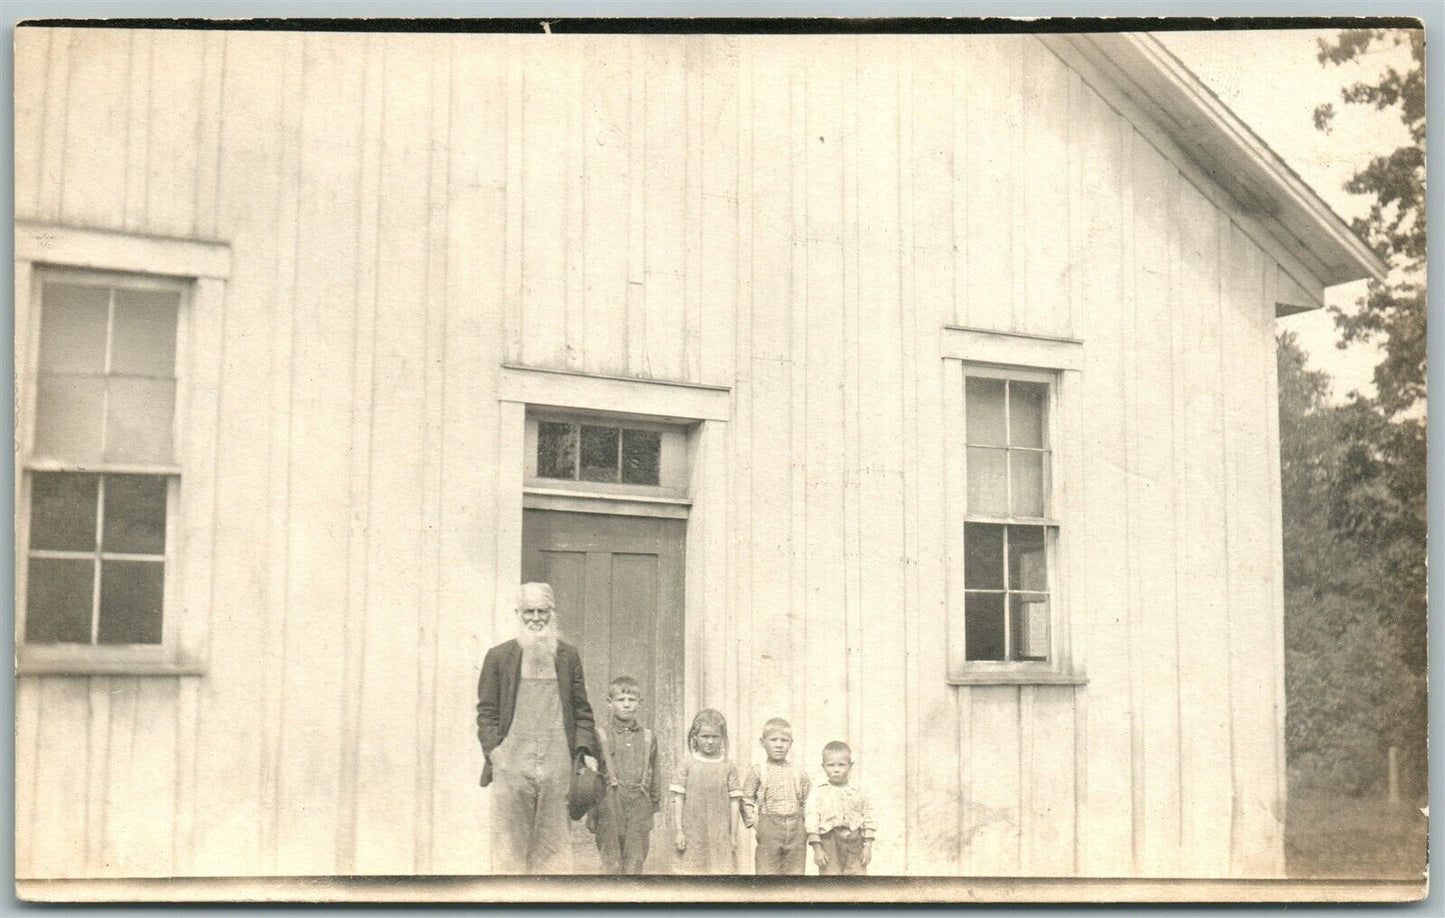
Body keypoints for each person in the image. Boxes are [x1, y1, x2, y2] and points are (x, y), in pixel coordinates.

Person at [476, 582, 598, 875]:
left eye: (542, 611)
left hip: (557, 764)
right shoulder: (498, 657)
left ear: (552, 613)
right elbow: (486, 711)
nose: (535, 618)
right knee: (508, 848)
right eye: (529, 611)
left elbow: (582, 710)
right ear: (518, 613)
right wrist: (496, 753)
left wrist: (582, 752)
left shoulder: (568, 656)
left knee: (554, 847)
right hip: (512, 764)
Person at [590, 675, 662, 874]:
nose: (627, 705)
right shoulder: (600, 735)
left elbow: (655, 771)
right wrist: (593, 808)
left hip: (640, 802)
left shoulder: (648, 736)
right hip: (609, 803)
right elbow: (590, 775)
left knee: (635, 860)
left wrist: (653, 802)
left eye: (632, 700)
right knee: (611, 860)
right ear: (609, 703)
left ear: (639, 702)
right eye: (621, 700)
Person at [670, 709, 743, 874]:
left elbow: (734, 803)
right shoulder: (687, 763)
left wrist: (733, 835)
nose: (710, 741)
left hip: (720, 835)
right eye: (705, 736)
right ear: (695, 737)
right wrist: (679, 831)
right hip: (693, 833)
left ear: (722, 738)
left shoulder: (728, 766)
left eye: (715, 736)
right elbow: (678, 799)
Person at [740, 717, 810, 874]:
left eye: (784, 740)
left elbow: (808, 801)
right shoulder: (758, 771)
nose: (779, 745)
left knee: (795, 875)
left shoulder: (799, 772)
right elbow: (746, 799)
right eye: (773, 740)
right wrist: (755, 824)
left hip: (796, 830)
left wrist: (805, 825)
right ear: (762, 742)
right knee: (767, 875)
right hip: (769, 828)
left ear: (791, 743)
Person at [805, 741, 875, 876]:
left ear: (850, 766)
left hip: (855, 841)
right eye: (831, 765)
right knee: (831, 881)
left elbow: (869, 816)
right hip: (829, 842)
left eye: (841, 765)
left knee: (856, 881)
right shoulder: (818, 792)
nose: (836, 769)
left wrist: (868, 847)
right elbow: (811, 820)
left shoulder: (859, 791)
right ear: (823, 766)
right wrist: (817, 849)